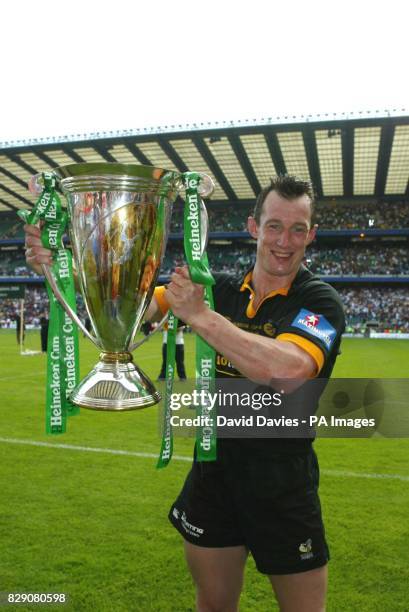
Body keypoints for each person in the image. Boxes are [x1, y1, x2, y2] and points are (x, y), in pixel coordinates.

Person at [24, 175, 345, 611]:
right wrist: (59, 260)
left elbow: (289, 371)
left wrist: (200, 316)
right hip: (213, 476)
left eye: (297, 229)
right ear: (254, 227)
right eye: (274, 226)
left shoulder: (320, 301)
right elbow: (124, 300)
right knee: (212, 606)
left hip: (282, 483)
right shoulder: (218, 290)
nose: (284, 240)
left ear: (311, 235)